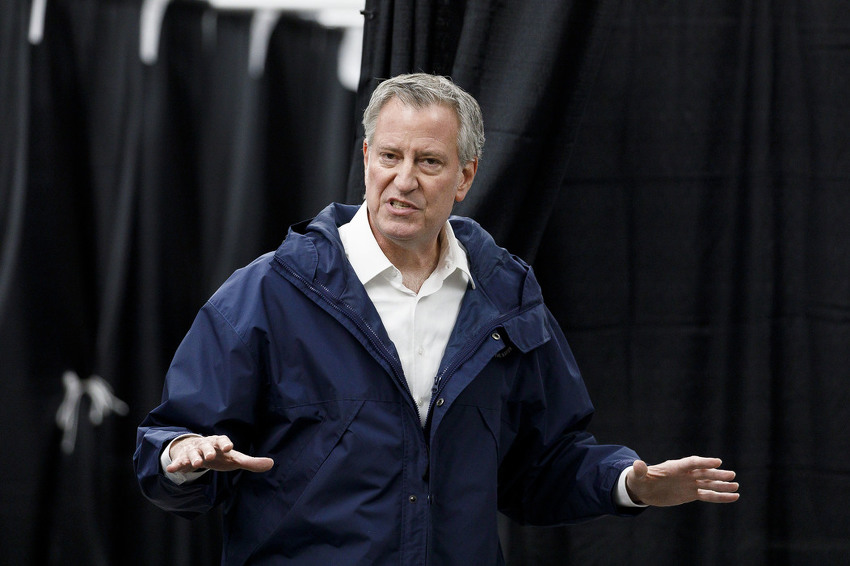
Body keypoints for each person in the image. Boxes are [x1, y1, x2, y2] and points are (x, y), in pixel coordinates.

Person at [134, 73, 739, 565]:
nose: (404, 180)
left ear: (465, 177)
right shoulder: (268, 293)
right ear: (366, 157)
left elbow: (543, 464)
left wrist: (630, 485)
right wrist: (182, 453)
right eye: (390, 156)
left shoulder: (505, 294)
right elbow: (166, 445)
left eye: (428, 162)